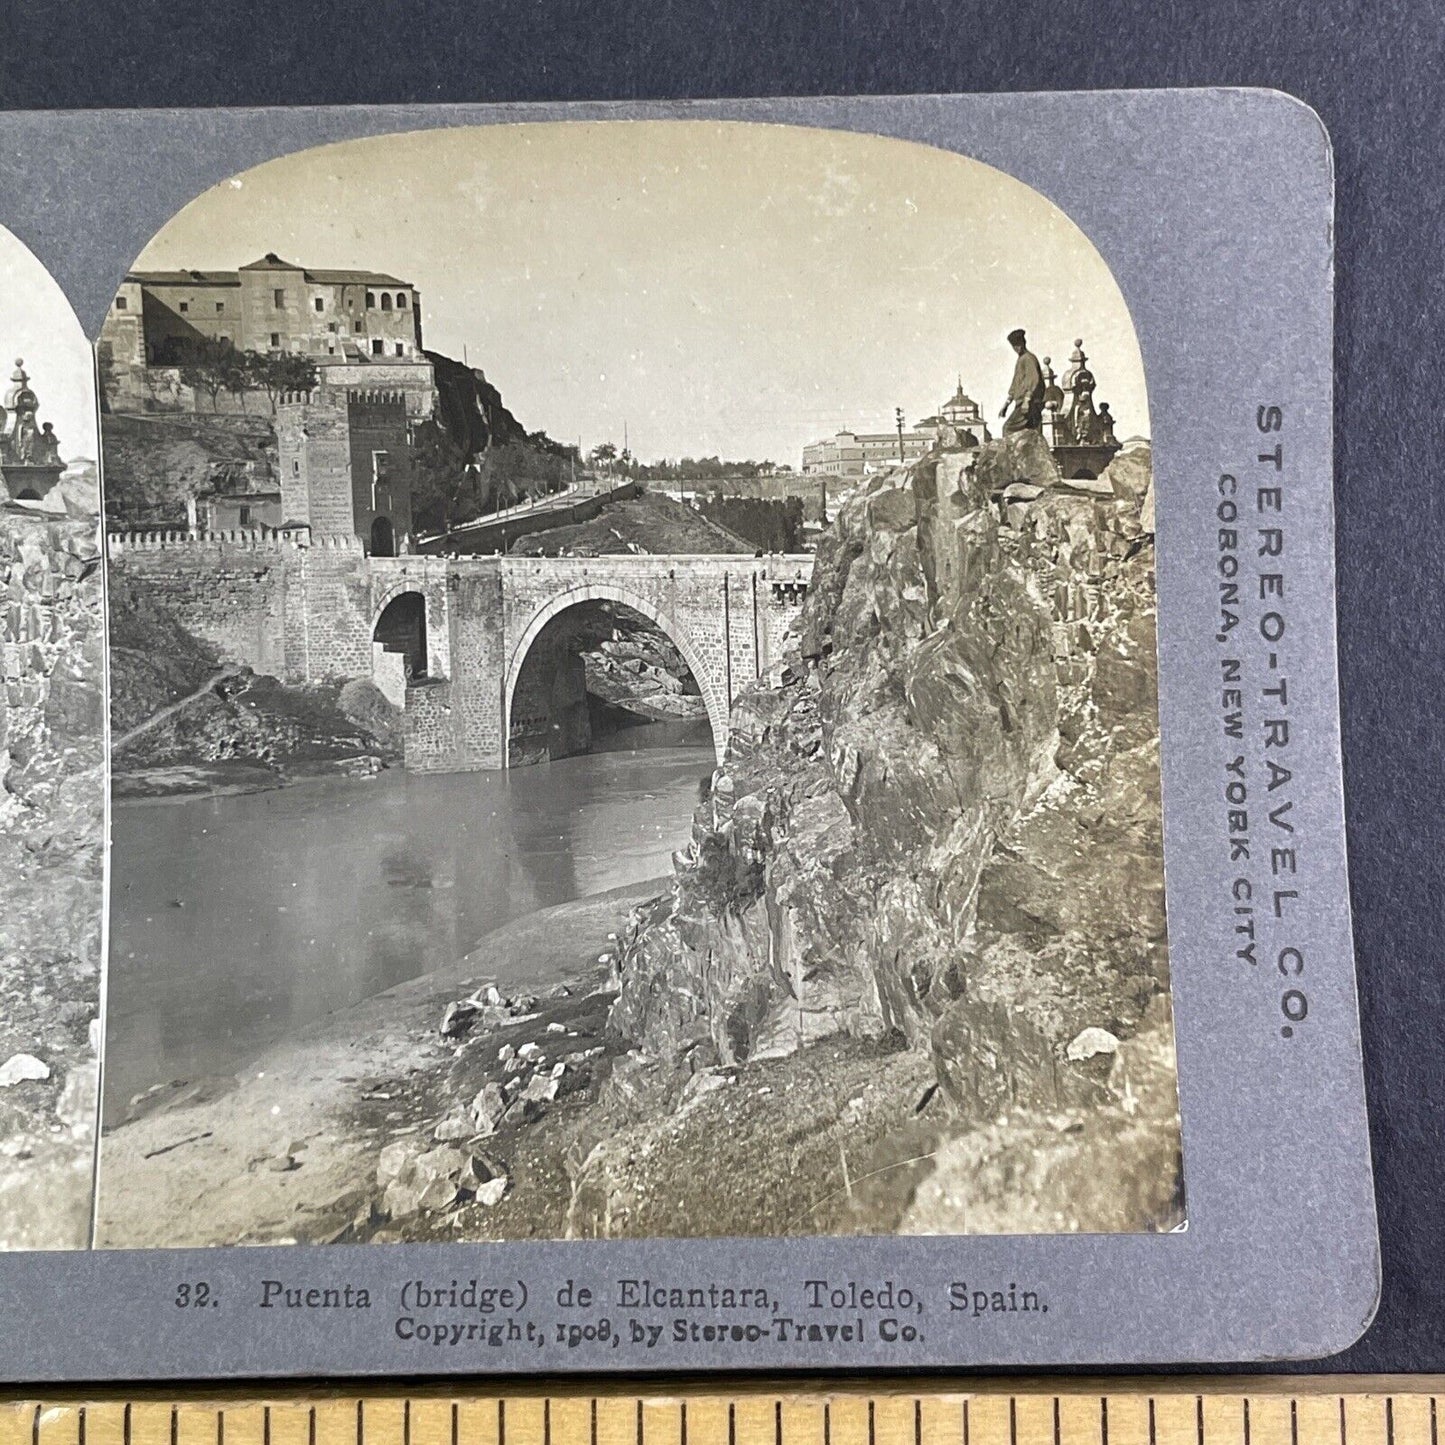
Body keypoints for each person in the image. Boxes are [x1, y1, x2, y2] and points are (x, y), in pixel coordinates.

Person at [999, 328, 1045, 434]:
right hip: (1024, 403)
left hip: (1029, 404)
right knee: (1030, 433)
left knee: (1008, 429)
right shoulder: (1021, 360)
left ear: (1023, 343)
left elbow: (1033, 380)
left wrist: (1026, 400)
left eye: (1019, 345)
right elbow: (1015, 384)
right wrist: (1006, 404)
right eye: (1014, 346)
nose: (1017, 348)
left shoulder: (1028, 358)